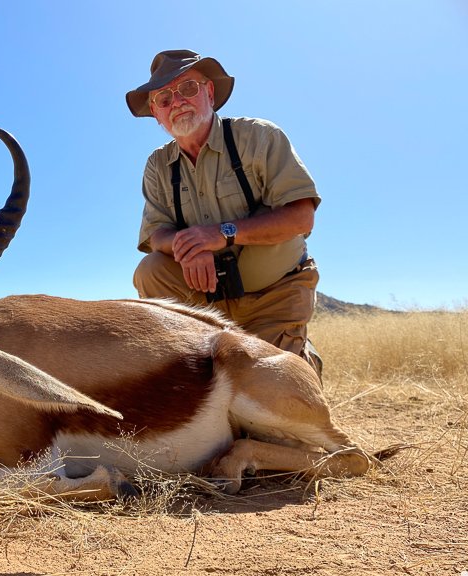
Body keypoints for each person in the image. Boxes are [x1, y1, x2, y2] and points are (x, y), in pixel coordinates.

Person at [126, 49, 323, 375]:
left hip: (272, 295)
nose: (177, 102)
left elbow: (301, 217)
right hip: (207, 302)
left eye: (187, 89)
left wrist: (220, 234)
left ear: (210, 93)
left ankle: (299, 354)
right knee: (150, 270)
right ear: (157, 115)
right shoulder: (158, 165)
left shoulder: (260, 137)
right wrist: (189, 246)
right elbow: (156, 233)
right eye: (163, 99)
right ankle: (198, 361)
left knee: (266, 398)